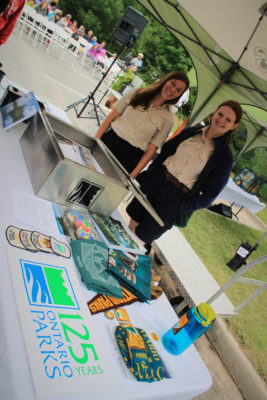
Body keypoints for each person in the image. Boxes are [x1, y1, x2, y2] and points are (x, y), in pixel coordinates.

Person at [126, 100, 243, 247]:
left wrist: (183, 207)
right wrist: (152, 173)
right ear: (215, 112)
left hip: (175, 199)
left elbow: (211, 194)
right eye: (220, 114)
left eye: (228, 120)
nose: (221, 120)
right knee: (131, 224)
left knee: (140, 238)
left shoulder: (224, 157)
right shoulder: (190, 132)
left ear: (234, 126)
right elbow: (166, 151)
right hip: (156, 182)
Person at [95, 71, 189, 180]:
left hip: (129, 158)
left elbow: (151, 151)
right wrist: (94, 141)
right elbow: (110, 119)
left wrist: (132, 176)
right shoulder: (137, 93)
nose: (172, 90)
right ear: (166, 80)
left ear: (180, 96)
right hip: (109, 141)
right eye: (173, 83)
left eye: (178, 90)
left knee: (102, 191)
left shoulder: (168, 119)